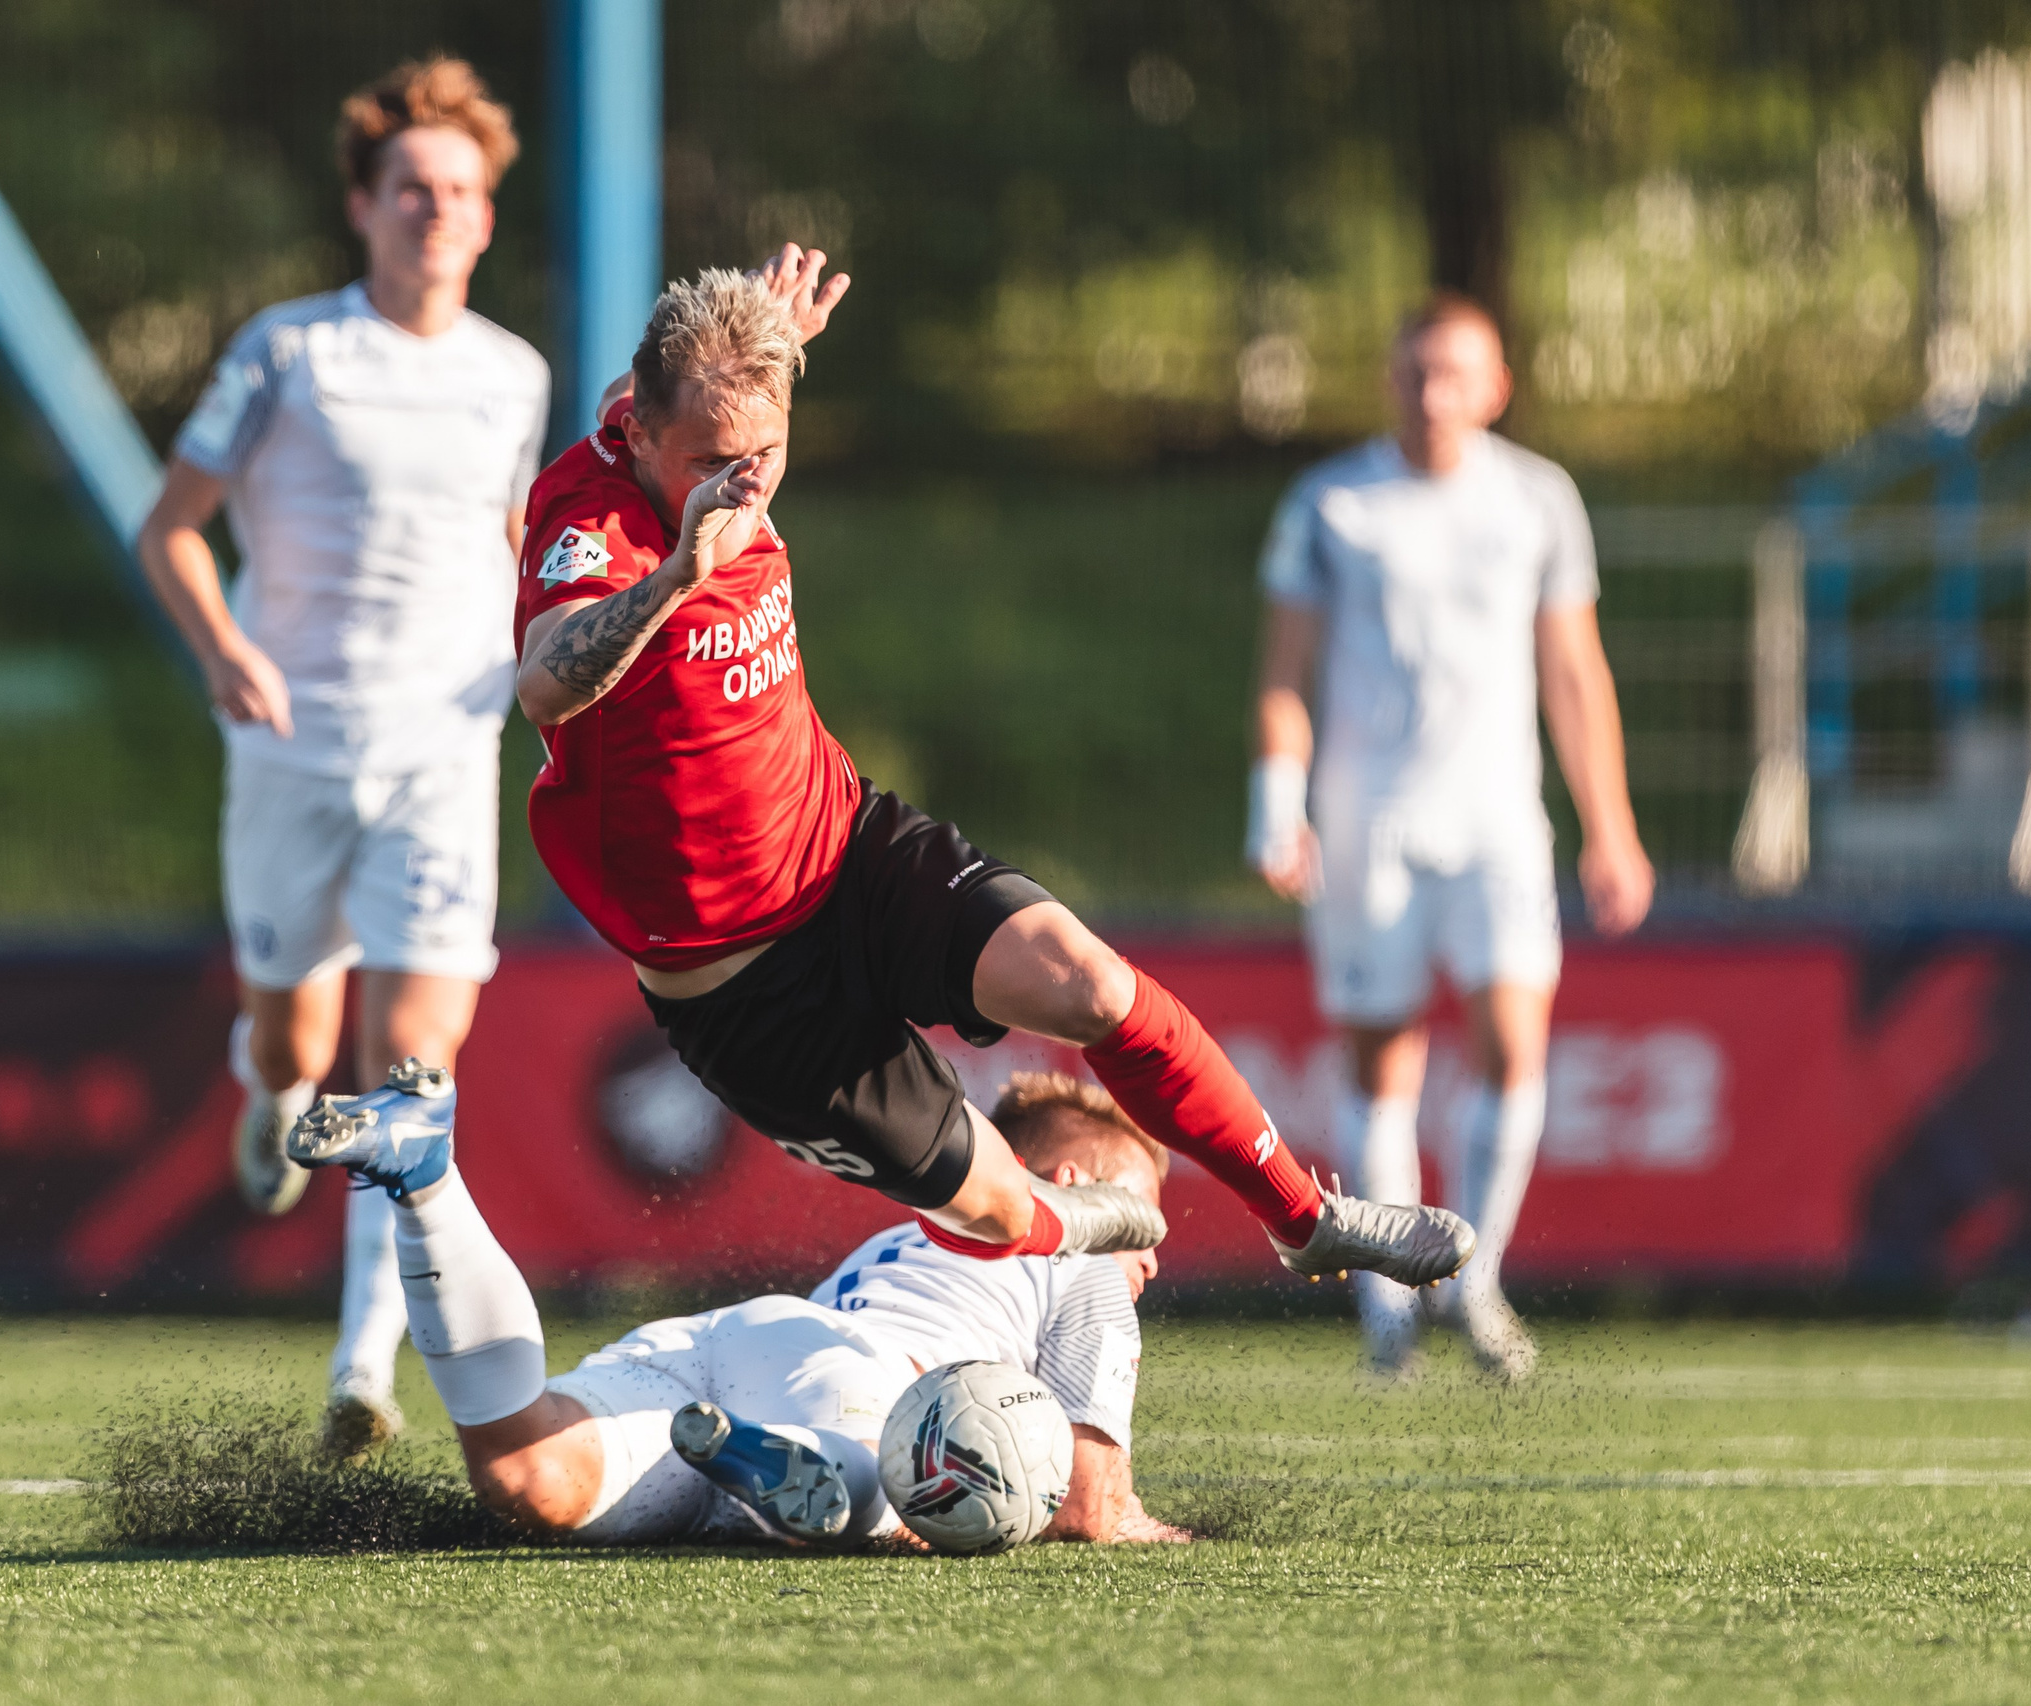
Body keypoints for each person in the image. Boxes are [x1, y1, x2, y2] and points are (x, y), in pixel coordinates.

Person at [500, 251, 1474, 1287]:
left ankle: (1301, 1217)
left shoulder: (716, 416)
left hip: (843, 849)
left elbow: (729, 389)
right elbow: (546, 683)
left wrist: (771, 341)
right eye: (708, 461)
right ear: (639, 432)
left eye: (766, 453)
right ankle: (1068, 1221)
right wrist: (680, 570)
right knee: (1002, 1200)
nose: (740, 483)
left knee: (1094, 984)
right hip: (739, 983)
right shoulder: (591, 521)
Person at [133, 58, 548, 1453]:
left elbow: (505, 555)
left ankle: (361, 1372)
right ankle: (269, 1091)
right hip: (294, 752)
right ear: (365, 206)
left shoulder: (513, 378)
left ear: (489, 218)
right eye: (414, 189)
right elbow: (171, 528)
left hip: (445, 751)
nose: (438, 211)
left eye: (463, 192)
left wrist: (547, 675)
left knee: (412, 1077)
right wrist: (225, 651)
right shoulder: (288, 352)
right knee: (295, 1040)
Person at [1247, 292, 1654, 1381]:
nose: (1431, 394)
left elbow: (1574, 670)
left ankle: (1477, 1279)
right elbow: (1284, 671)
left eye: (1453, 374)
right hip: (1369, 817)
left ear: (1494, 386)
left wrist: (1608, 825)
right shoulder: (1331, 502)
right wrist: (1273, 804)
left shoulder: (1537, 500)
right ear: (1389, 380)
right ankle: (1389, 1302)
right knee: (1383, 1059)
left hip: (1497, 817)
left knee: (1513, 1041)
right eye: (1413, 372)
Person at [290, 1066, 1193, 1545]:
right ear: (1073, 1185)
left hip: (743, 1337)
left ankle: (426, 1184)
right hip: (852, 1384)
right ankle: (815, 1472)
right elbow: (1088, 1510)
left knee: (529, 1468)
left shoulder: (902, 1239)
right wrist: (1167, 1534)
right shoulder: (1079, 1254)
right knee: (883, 1494)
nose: (1150, 1255)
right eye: (1141, 1218)